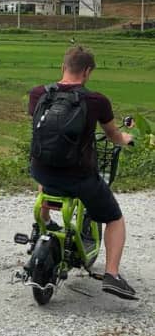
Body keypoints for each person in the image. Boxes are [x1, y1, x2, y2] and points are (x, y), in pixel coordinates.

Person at [27, 44, 135, 299]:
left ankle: (43, 221)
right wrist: (126, 138)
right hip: (79, 178)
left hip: (41, 171)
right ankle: (112, 274)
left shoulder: (38, 93)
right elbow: (114, 135)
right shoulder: (96, 100)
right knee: (114, 218)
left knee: (45, 171)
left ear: (63, 67)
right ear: (87, 71)